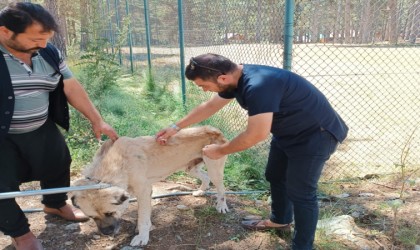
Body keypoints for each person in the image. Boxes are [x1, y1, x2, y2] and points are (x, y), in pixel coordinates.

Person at [155, 53, 348, 249]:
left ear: (222, 78)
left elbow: (256, 134)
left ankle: (302, 246)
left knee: (301, 192)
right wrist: (175, 127)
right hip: (289, 132)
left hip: (316, 135)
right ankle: (280, 220)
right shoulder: (234, 79)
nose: (205, 90)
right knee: (275, 175)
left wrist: (221, 150)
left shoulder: (258, 85)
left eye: (203, 86)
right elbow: (210, 106)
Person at [0, 3, 118, 250]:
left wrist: (96, 119)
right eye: (35, 38)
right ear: (5, 32)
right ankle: (21, 235)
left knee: (58, 163)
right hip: (3, 135)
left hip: (41, 127)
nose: (42, 45)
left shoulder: (48, 52)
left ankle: (54, 204)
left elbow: (70, 86)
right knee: (1, 184)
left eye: (46, 38)